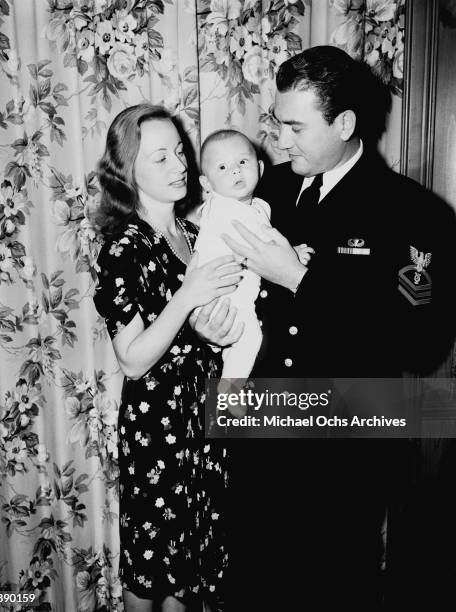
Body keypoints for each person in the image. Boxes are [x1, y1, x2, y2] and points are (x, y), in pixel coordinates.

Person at [191, 46, 456, 610]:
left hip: (344, 443)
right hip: (257, 427)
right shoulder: (264, 195)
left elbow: (424, 342)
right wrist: (215, 328)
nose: (279, 142)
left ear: (344, 124)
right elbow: (238, 295)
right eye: (277, 123)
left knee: (332, 586)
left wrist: (300, 280)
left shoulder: (414, 213)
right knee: (250, 583)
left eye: (294, 127)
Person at [92, 104, 244, 612]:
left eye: (179, 152)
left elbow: (209, 332)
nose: (180, 166)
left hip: (206, 418)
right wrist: (187, 296)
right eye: (160, 158)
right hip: (157, 429)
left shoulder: (197, 234)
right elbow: (132, 360)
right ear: (127, 171)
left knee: (188, 576)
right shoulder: (123, 247)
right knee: (150, 574)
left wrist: (217, 334)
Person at [194, 128, 312, 387]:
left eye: (243, 162)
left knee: (239, 347)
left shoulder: (256, 205)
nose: (235, 171)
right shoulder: (224, 209)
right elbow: (258, 244)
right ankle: (228, 392)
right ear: (206, 184)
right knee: (250, 340)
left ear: (259, 167)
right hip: (225, 298)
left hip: (235, 295)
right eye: (223, 167)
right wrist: (293, 254)